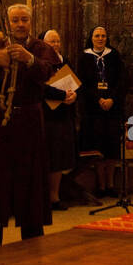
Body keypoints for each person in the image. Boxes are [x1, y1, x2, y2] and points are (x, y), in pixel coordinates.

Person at [0, 5, 55, 247]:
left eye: (24, 20)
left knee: (30, 176)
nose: (20, 24)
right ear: (8, 22)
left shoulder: (41, 48)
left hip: (29, 120)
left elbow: (49, 72)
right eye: (15, 20)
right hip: (0, 120)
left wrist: (30, 60)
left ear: (31, 22)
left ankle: (32, 231)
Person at [77, 26, 125, 197]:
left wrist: (111, 99)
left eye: (103, 36)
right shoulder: (84, 57)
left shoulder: (114, 56)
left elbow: (121, 81)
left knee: (111, 147)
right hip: (93, 110)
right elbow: (82, 83)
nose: (100, 38)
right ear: (91, 38)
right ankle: (101, 185)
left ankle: (111, 184)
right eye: (97, 35)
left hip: (112, 108)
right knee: (97, 148)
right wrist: (98, 99)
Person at [40, 29, 78, 210]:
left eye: (57, 41)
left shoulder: (65, 61)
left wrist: (72, 96)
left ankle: (54, 196)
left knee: (60, 157)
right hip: (46, 116)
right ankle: (43, 196)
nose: (55, 45)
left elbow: (73, 83)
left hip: (63, 115)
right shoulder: (40, 63)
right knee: (48, 156)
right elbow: (41, 88)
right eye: (51, 41)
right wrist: (63, 95)